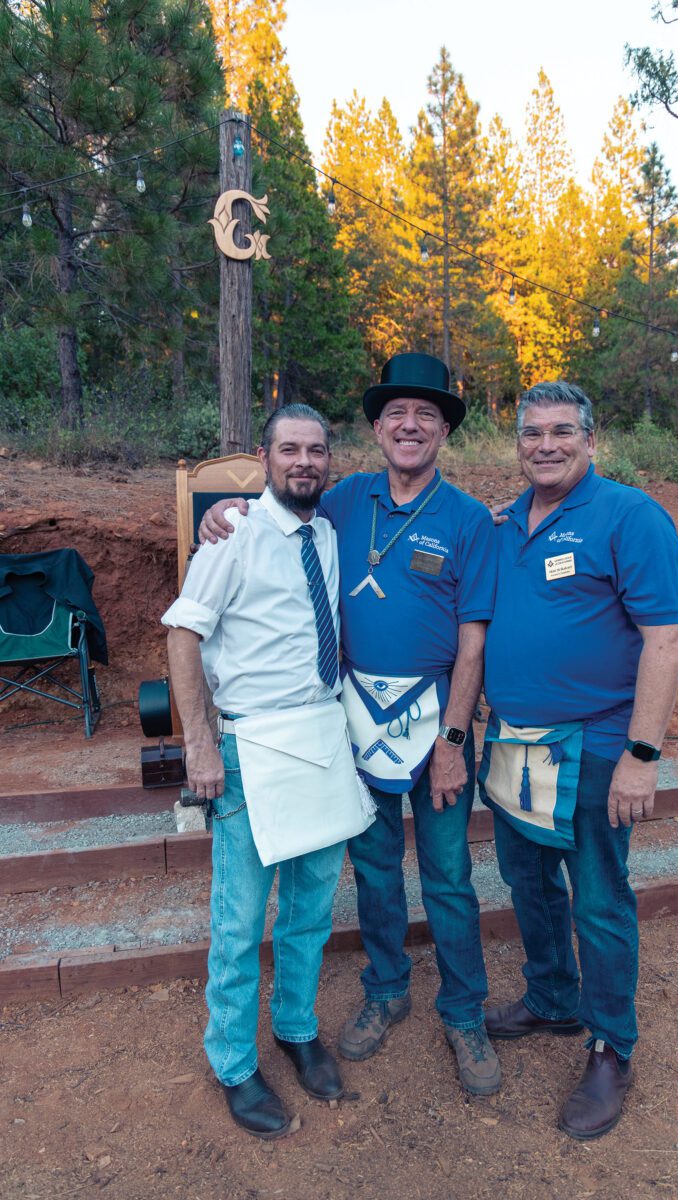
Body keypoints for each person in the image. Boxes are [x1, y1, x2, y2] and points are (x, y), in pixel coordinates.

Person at [200, 353, 501, 1096]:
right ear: (374, 429)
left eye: (425, 415)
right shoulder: (341, 500)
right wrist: (222, 509)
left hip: (435, 725)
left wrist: (455, 743)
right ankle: (385, 990)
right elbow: (275, 509)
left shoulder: (466, 519)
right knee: (371, 871)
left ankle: (463, 1014)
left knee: (450, 877)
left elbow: (473, 643)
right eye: (396, 413)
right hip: (350, 726)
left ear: (441, 433)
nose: (409, 425)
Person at [480, 381, 678, 1140]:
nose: (545, 444)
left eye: (561, 431)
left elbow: (665, 639)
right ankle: (551, 998)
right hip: (512, 741)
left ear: (590, 440)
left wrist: (640, 754)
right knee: (527, 880)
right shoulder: (504, 523)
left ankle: (610, 1046)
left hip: (594, 747)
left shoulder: (629, 517)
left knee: (598, 898)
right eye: (531, 432)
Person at [162, 404, 371, 1141]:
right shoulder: (235, 535)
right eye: (290, 450)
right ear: (265, 456)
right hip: (252, 751)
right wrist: (200, 745)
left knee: (311, 909)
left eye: (316, 450)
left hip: (321, 739)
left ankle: (295, 1027)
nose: (304, 462)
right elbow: (183, 635)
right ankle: (232, 1064)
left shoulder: (331, 532)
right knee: (240, 920)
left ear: (328, 460)